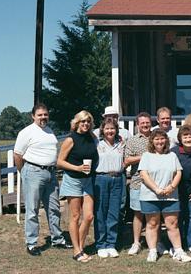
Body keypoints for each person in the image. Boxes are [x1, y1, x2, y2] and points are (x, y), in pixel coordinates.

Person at [14, 103, 71, 256]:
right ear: (33, 116)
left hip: (51, 174)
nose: (43, 117)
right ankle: (31, 243)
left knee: (54, 208)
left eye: (45, 114)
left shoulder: (49, 131)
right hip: (33, 172)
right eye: (40, 115)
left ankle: (57, 239)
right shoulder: (26, 132)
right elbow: (18, 155)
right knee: (33, 209)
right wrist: (24, 172)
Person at [138, 129, 191, 263]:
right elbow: (143, 174)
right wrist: (156, 189)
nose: (159, 141)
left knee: (172, 224)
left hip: (170, 196)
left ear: (166, 141)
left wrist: (172, 187)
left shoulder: (172, 156)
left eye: (162, 139)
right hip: (150, 195)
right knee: (152, 224)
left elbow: (178, 172)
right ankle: (152, 251)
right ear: (152, 141)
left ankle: (179, 251)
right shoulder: (146, 156)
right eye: (156, 139)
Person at [57, 110, 98, 262]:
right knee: (75, 216)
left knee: (88, 216)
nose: (86, 124)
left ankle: (80, 246)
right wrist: (78, 168)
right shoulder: (70, 139)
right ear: (77, 123)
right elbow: (59, 162)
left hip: (88, 181)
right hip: (73, 179)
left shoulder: (92, 137)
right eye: (83, 121)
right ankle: (77, 250)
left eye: (88, 121)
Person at [93, 117, 129, 258]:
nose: (110, 131)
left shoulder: (121, 144)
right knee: (101, 212)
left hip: (118, 179)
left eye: (112, 128)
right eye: (107, 128)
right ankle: (101, 244)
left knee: (114, 212)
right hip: (101, 178)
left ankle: (111, 243)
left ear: (116, 130)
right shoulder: (97, 143)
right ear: (102, 130)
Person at [171, 125, 191, 255]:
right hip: (177, 189)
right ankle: (177, 244)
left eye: (190, 136)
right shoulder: (174, 152)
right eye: (185, 136)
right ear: (180, 138)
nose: (188, 139)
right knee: (177, 218)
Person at [126, 112, 151, 255]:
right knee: (138, 213)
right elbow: (127, 160)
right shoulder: (132, 140)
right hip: (137, 182)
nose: (145, 125)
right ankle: (136, 242)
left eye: (147, 122)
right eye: (142, 123)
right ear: (137, 125)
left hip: (155, 182)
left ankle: (155, 241)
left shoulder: (156, 138)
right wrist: (144, 156)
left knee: (154, 214)